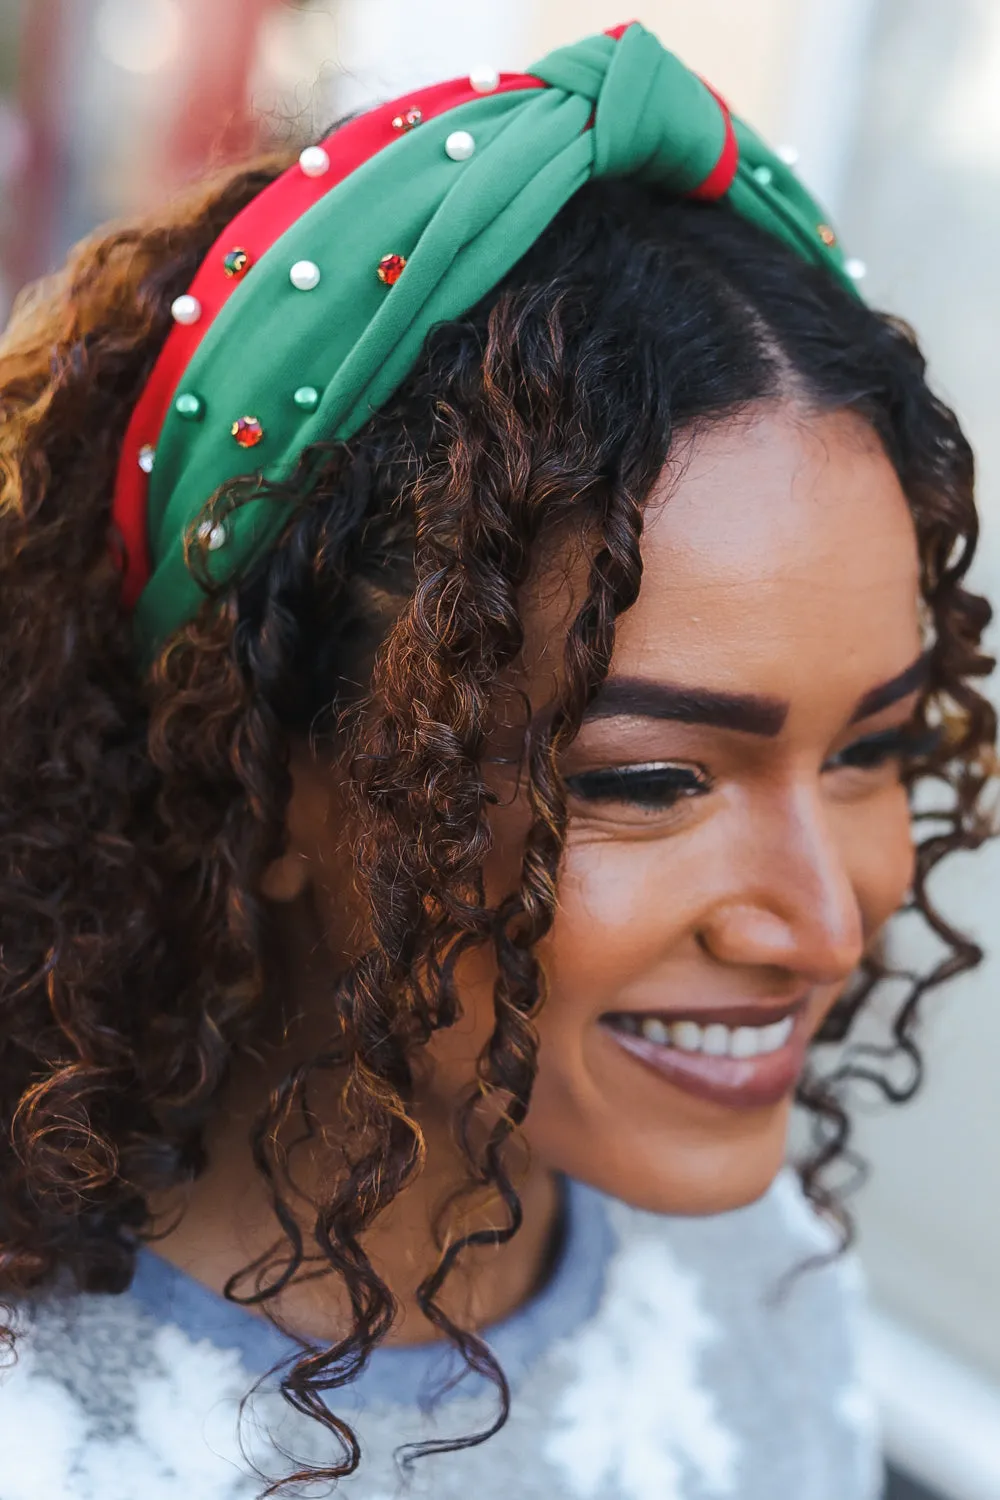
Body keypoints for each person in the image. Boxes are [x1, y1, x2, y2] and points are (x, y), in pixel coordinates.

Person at [0, 21, 994, 1500]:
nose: (830, 920)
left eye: (872, 747)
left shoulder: (759, 1276)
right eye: (652, 782)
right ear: (262, 763)